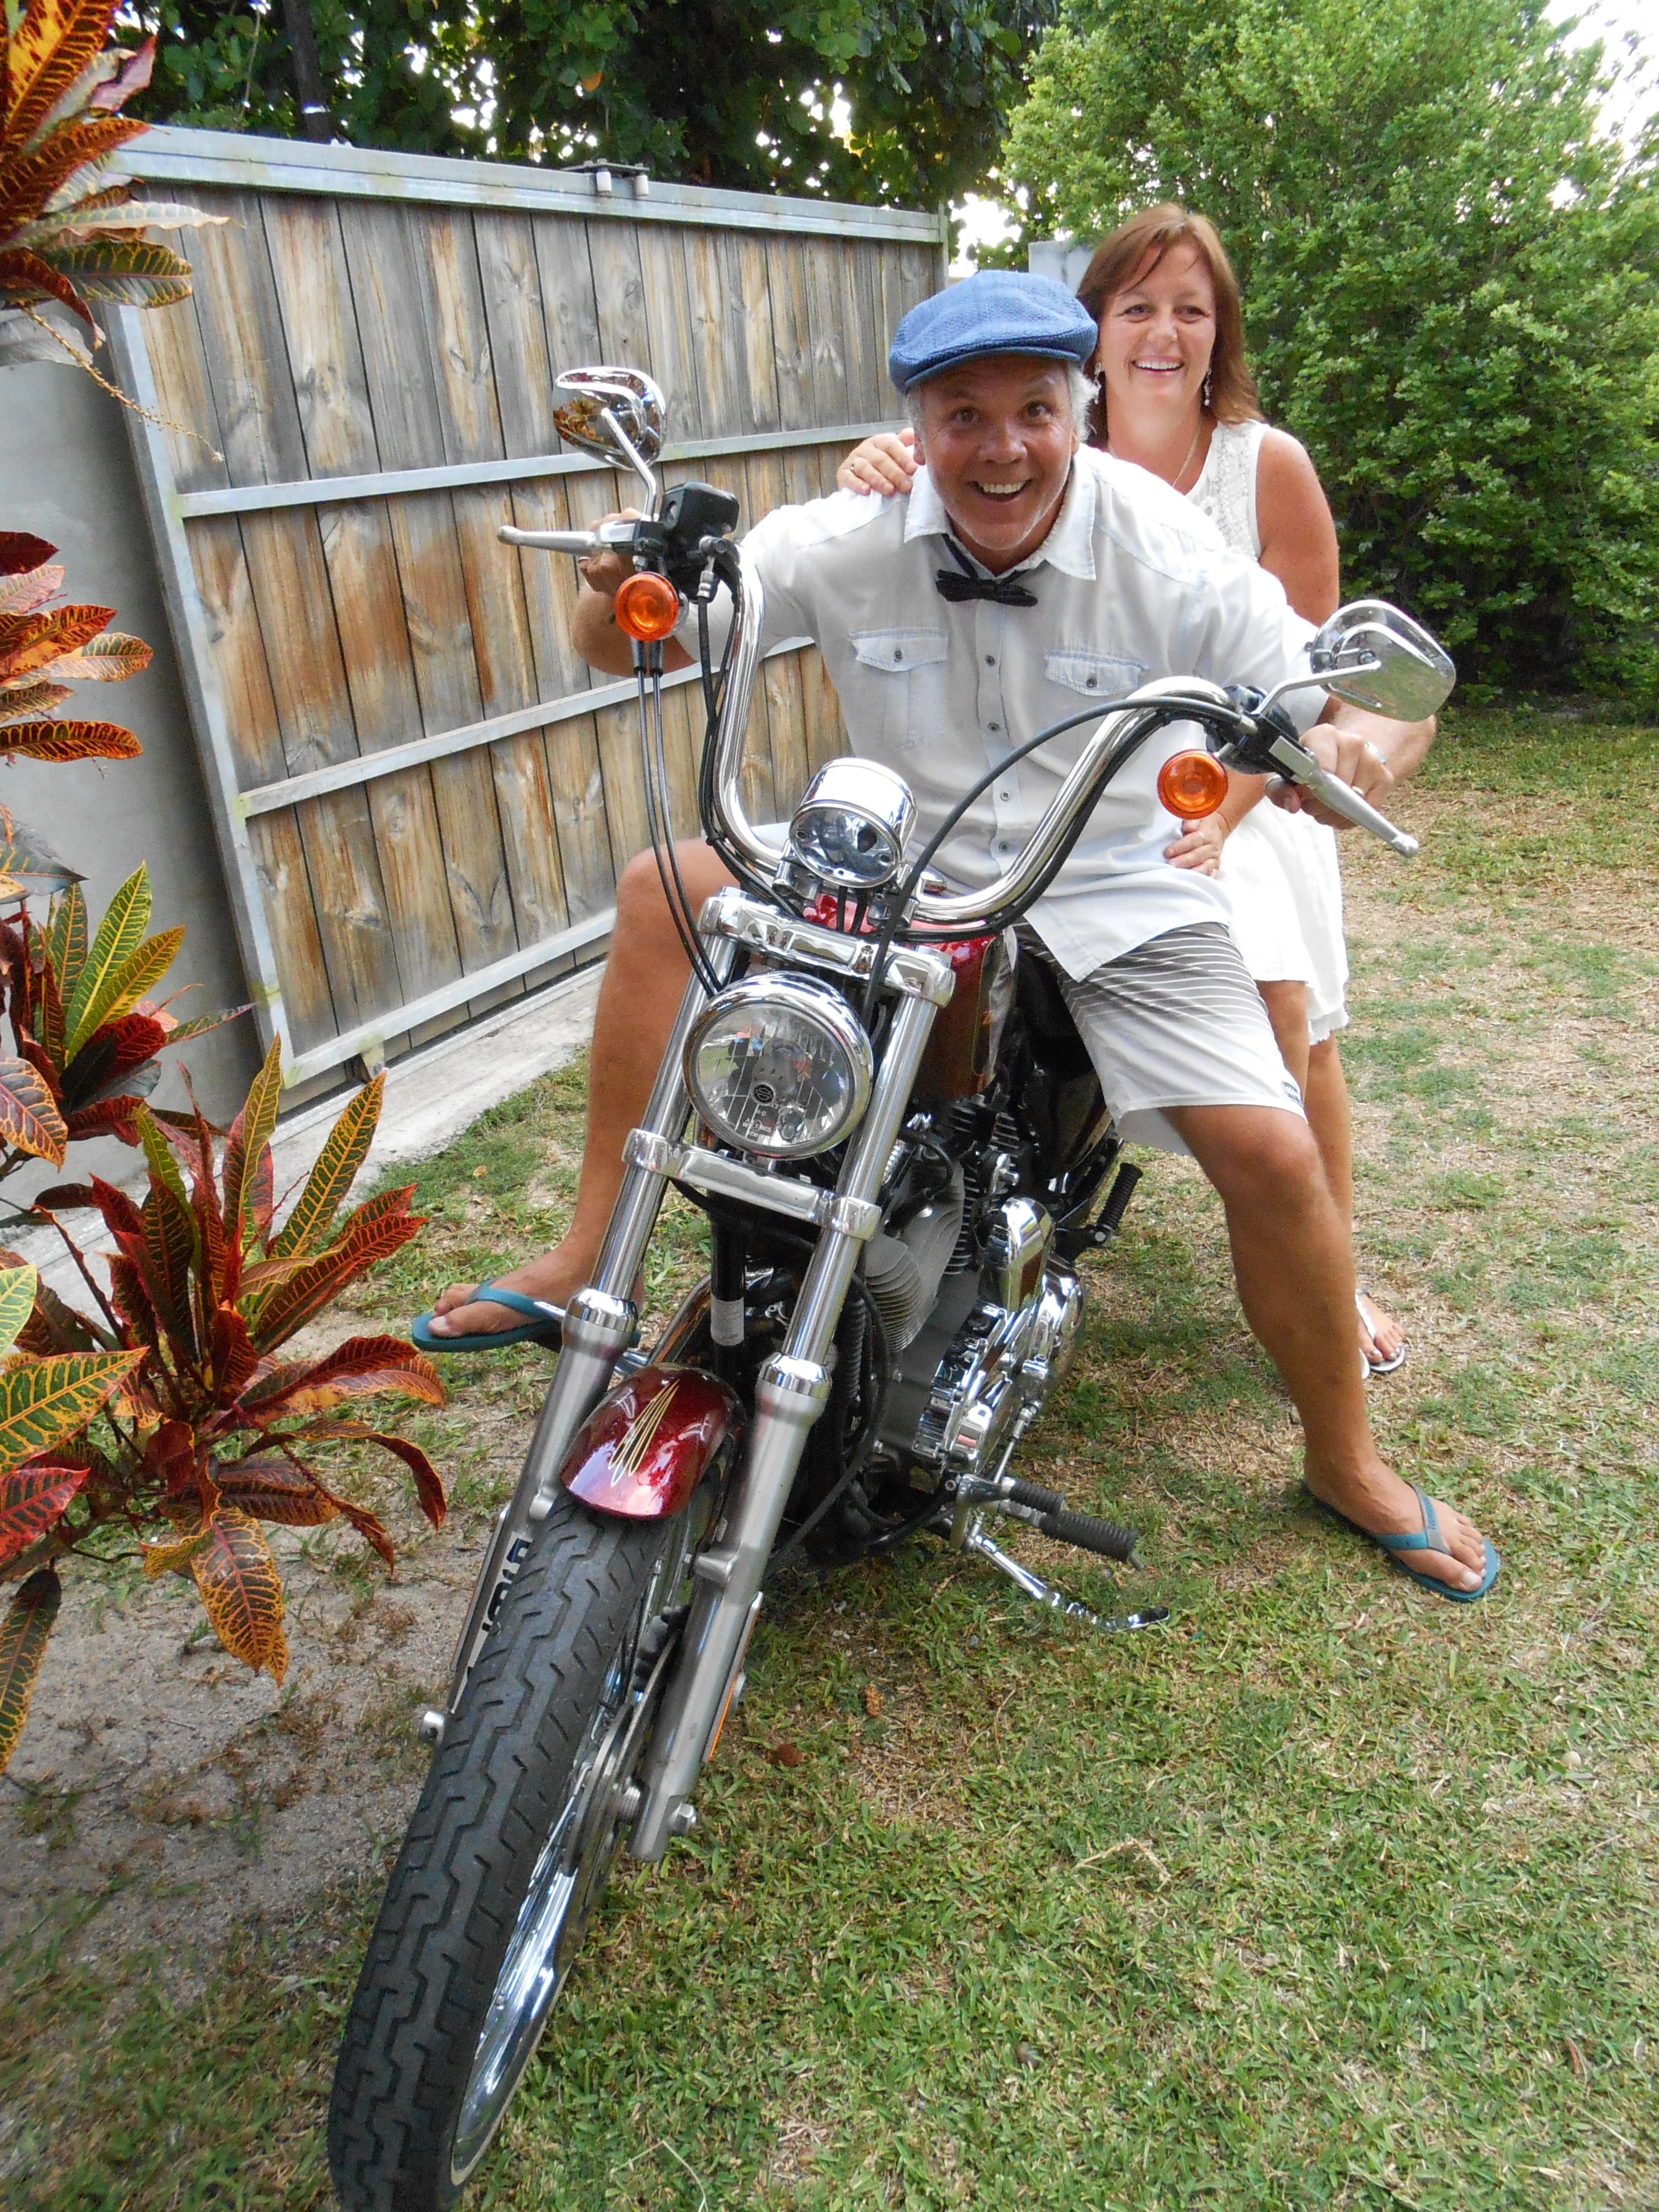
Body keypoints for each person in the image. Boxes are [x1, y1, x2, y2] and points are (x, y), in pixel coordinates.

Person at [423, 272, 1497, 1600]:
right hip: (901, 870)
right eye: (963, 414)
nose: (1003, 448)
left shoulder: (1160, 543)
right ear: (917, 423)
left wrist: (1356, 743)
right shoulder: (850, 529)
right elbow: (636, 641)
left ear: (1079, 408)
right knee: (663, 886)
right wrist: (617, 583)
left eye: (1036, 411)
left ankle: (1345, 1457)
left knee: (1275, 1154)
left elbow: (1343, 687)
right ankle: (589, 1253)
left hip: (1115, 880)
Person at [837, 207, 1405, 1377]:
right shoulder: (975, 456)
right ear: (1091, 334)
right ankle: (946, 1189)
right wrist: (876, 473)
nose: (1163, 332)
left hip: (1207, 788)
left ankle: (1330, 1279)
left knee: (1284, 1026)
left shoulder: (1251, 471)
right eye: (1138, 307)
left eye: (1190, 311)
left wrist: (1252, 797)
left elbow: (1306, 672)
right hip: (1040, 793)